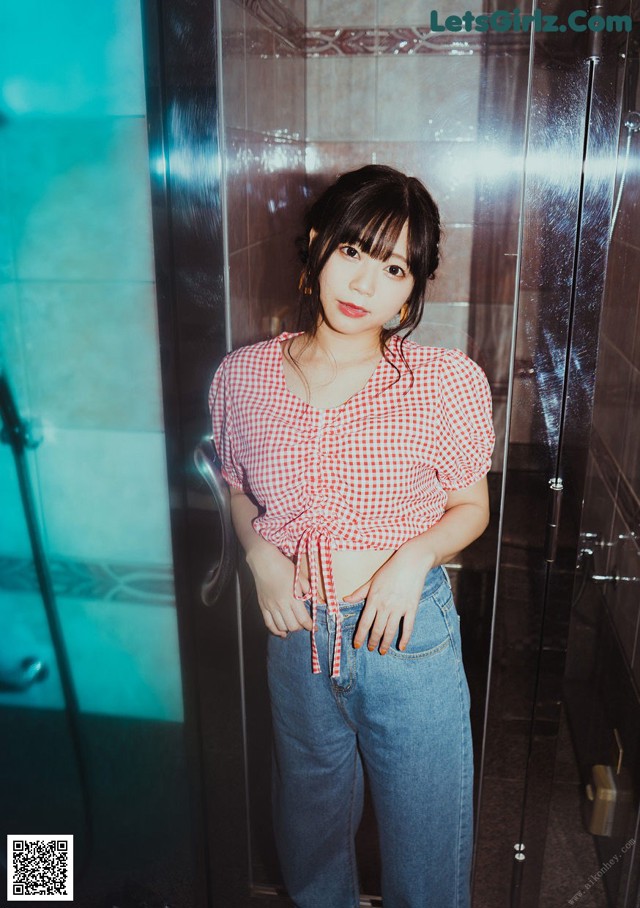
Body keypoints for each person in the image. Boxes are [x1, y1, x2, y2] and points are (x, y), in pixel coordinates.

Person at [208, 165, 495, 908]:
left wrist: (415, 556)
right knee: (307, 842)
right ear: (315, 246)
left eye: (394, 267)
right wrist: (260, 557)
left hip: (406, 637)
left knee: (426, 853)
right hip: (295, 634)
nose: (365, 283)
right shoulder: (242, 378)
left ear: (413, 289)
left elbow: (471, 506)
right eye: (353, 251)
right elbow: (235, 485)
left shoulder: (442, 381)